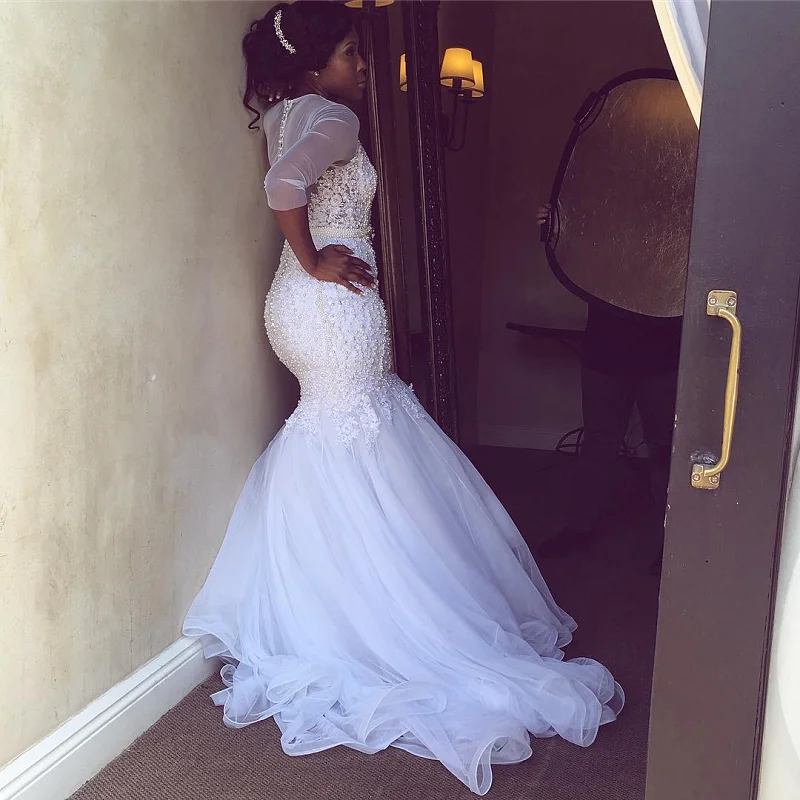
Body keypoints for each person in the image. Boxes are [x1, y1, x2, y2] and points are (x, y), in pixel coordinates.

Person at [183, 4, 623, 795]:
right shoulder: (333, 118)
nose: (364, 65)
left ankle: (331, 609)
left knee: (337, 432)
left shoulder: (285, 114)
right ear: (316, 63)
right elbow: (284, 186)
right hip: (329, 304)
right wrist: (315, 258)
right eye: (351, 52)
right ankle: (380, 620)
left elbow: (286, 178)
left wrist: (306, 264)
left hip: (295, 309)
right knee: (358, 435)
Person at [534, 205, 681, 573]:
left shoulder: (675, 217)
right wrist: (557, 224)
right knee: (599, 440)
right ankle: (578, 528)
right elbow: (572, 258)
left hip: (663, 350)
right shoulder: (603, 210)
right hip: (606, 348)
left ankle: (675, 543)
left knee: (664, 447)